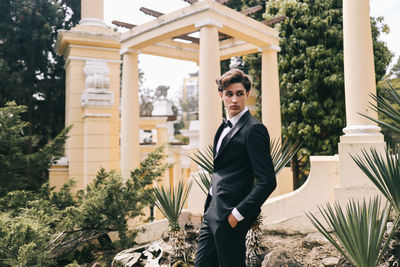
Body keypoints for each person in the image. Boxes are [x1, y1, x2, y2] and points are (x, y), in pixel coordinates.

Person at [194, 69, 277, 267]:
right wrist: (210, 201)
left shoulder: (254, 129)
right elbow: (221, 170)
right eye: (229, 94)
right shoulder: (222, 128)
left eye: (239, 93)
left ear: (247, 95)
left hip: (231, 218)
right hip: (212, 213)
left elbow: (267, 181)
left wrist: (238, 214)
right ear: (221, 95)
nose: (234, 99)